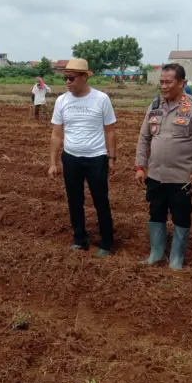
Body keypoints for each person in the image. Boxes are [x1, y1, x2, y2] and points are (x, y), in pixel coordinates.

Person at [134, 63, 192, 270]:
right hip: (156, 174)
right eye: (161, 82)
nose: (164, 86)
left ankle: (176, 259)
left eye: (168, 82)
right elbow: (144, 138)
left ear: (182, 83)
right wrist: (140, 166)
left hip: (182, 177)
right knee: (156, 212)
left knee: (181, 215)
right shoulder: (154, 106)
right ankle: (156, 254)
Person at [48, 58, 117, 257]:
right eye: (65, 78)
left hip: (96, 158)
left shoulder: (101, 99)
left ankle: (107, 242)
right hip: (71, 158)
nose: (67, 82)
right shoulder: (62, 100)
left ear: (84, 77)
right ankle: (80, 238)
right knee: (74, 200)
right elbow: (56, 134)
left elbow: (110, 131)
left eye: (71, 78)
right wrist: (53, 162)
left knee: (100, 200)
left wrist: (112, 159)